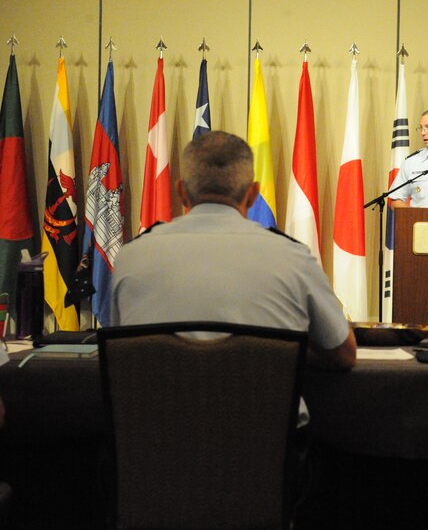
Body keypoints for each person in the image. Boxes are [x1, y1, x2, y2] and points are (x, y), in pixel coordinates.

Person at [110, 131, 356, 374]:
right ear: (252, 195)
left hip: (156, 414)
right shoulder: (293, 258)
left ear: (181, 192)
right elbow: (343, 354)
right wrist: (288, 351)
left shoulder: (130, 259)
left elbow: (120, 350)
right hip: (265, 414)